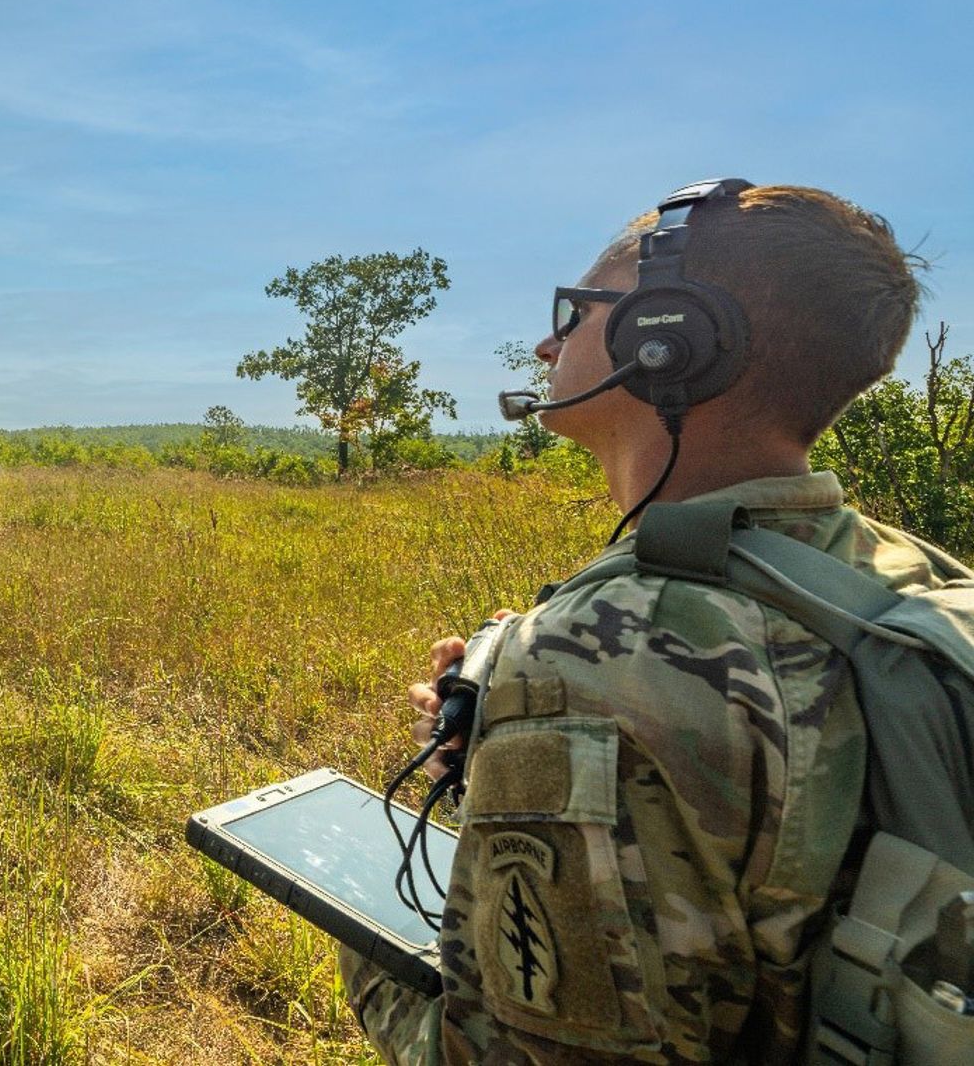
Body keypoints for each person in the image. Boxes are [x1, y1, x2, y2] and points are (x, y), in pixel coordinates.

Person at [339, 182, 967, 1063]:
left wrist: (361, 937)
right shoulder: (912, 574)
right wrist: (502, 749)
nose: (547, 344)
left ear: (669, 337)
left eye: (576, 312)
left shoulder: (602, 659)